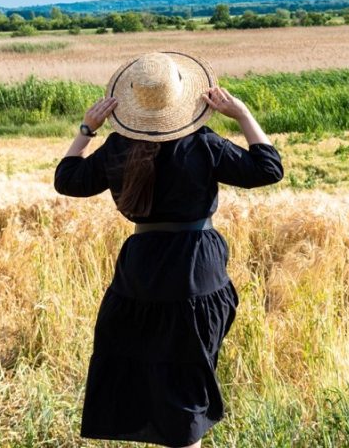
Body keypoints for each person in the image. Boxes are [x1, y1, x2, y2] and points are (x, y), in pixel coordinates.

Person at [54, 51, 283, 448]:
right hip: (198, 270)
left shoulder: (118, 148)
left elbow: (67, 179)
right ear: (183, 101)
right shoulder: (204, 144)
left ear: (131, 103)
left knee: (148, 377)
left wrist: (86, 129)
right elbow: (268, 169)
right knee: (187, 383)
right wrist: (243, 115)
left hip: (141, 274)